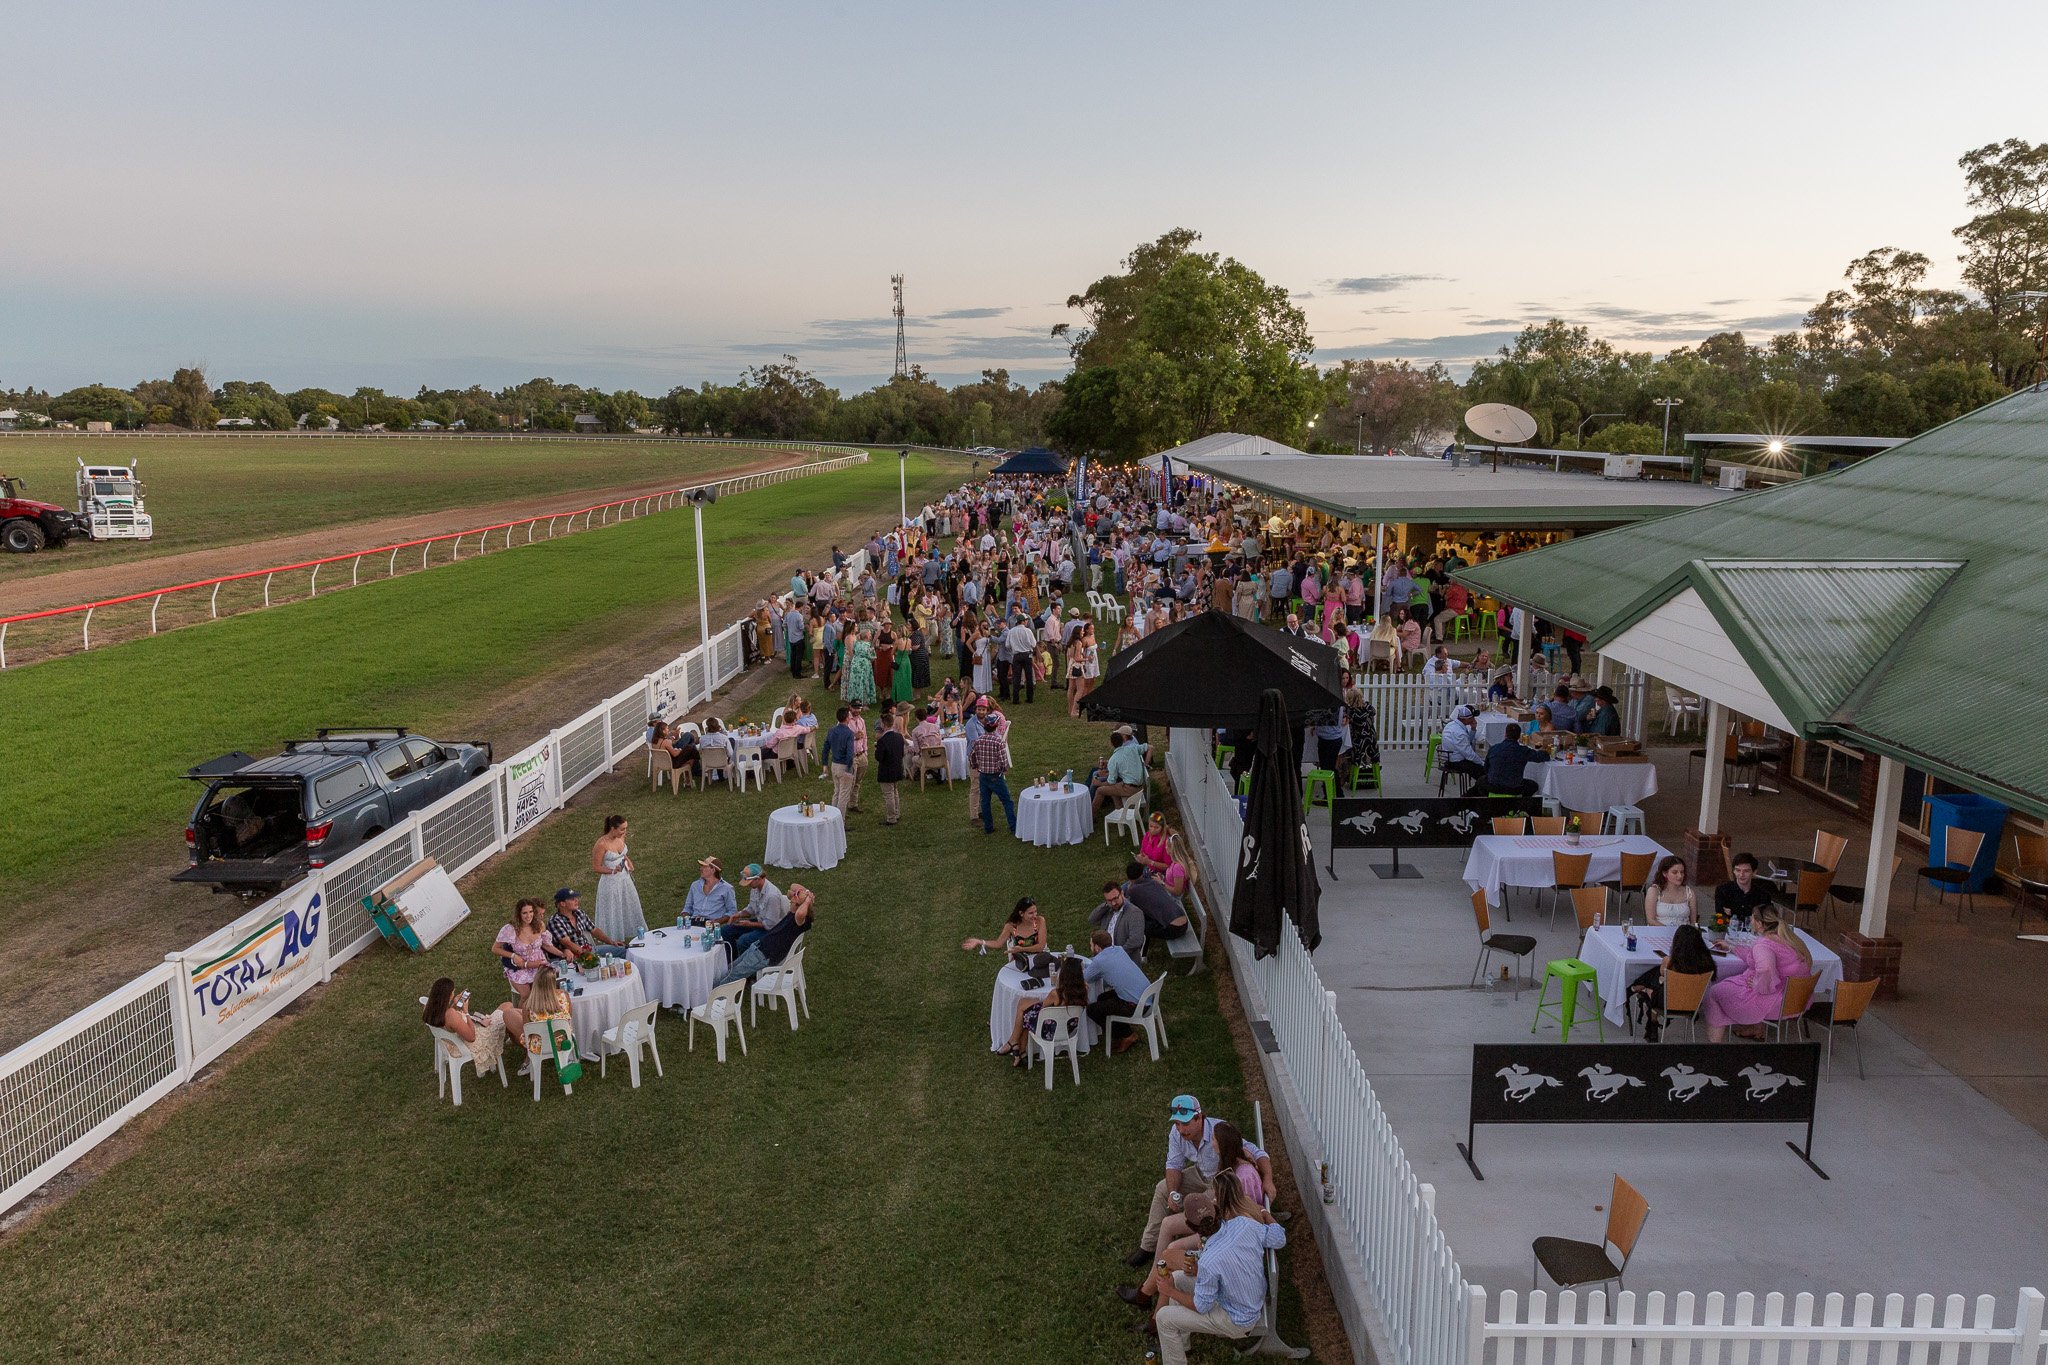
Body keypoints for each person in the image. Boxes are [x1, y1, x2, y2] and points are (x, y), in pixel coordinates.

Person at [1124, 1095, 1273, 1267]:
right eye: (1177, 1124)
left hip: (1219, 1180)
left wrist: (1268, 1180)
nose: (1181, 1130)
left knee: (1201, 1206)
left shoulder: (1220, 1132)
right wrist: (1173, 1192)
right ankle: (1148, 1246)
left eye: (1185, 1124)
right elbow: (1174, 1164)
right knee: (1162, 1188)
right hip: (1200, 1173)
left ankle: (1187, 1244)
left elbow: (1258, 1153)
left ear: (1199, 1118)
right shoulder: (1177, 1133)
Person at [1703, 905, 1814, 1042]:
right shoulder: (1789, 939)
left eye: (1753, 918)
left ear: (1760, 924)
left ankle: (1714, 1046)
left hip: (1777, 1002)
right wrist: (1732, 947)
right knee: (1735, 988)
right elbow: (1756, 957)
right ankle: (1755, 1028)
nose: (1751, 920)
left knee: (1714, 993)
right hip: (1797, 1000)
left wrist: (1757, 984)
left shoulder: (1764, 944)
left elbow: (1766, 968)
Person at [1627, 921, 1720, 1041]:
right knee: (1656, 980)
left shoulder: (1669, 961)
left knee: (1653, 982)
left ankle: (1639, 991)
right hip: (1693, 1002)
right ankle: (1639, 989)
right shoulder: (1708, 964)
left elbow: (1660, 975)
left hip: (1667, 1002)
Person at [714, 883, 814, 987]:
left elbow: (800, 914)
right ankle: (713, 990)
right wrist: (807, 893)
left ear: (800, 906)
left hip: (764, 955)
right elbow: (793, 886)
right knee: (731, 968)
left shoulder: (800, 921)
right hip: (758, 948)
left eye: (793, 901)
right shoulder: (793, 914)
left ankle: (711, 996)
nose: (790, 901)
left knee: (733, 976)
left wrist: (806, 901)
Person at [422, 976, 523, 1077]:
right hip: (473, 1041)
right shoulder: (451, 1015)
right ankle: (518, 1039)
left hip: (455, 1041)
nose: (453, 994)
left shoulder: (429, 1010)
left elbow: (446, 1018)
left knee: (504, 1011)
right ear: (448, 996)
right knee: (508, 1007)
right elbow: (471, 1037)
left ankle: (513, 1035)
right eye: (452, 992)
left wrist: (454, 1004)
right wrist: (466, 1011)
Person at [997, 956, 1088, 1064]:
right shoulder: (1084, 989)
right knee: (1025, 1005)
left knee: (1024, 1011)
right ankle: (1020, 1052)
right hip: (1069, 1027)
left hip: (1050, 1029)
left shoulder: (1056, 993)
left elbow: (1044, 1007)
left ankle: (1014, 1044)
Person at [1082, 928, 1152, 1054]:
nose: (1090, 947)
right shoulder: (1119, 950)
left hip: (1135, 1005)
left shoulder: (1100, 961)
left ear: (1097, 947)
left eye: (1091, 945)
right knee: (1102, 998)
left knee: (1092, 1010)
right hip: (1146, 996)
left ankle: (1127, 1035)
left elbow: (1085, 977)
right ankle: (1122, 1031)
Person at [493, 898, 567, 1006]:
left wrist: (562, 954)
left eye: (531, 912)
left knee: (548, 990)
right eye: (524, 913)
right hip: (521, 966)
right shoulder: (510, 929)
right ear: (519, 914)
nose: (528, 916)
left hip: (539, 964)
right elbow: (495, 948)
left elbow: (546, 945)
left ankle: (543, 1015)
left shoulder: (539, 925)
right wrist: (513, 956)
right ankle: (521, 1019)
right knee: (526, 994)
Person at [591, 815, 646, 941]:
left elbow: (623, 854)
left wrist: (628, 861)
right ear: (612, 828)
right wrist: (612, 871)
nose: (624, 832)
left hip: (625, 879)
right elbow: (596, 867)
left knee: (629, 905)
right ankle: (614, 941)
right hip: (610, 883)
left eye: (625, 828)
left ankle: (635, 935)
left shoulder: (620, 837)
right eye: (622, 829)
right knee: (613, 910)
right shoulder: (601, 844)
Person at [727, 863, 791, 956]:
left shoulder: (772, 896)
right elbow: (752, 908)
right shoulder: (755, 888)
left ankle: (745, 964)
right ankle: (731, 960)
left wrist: (749, 924)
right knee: (727, 930)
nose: (748, 885)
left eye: (750, 882)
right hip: (760, 921)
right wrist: (738, 915)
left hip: (772, 930)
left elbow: (770, 924)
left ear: (758, 879)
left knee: (743, 941)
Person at [547, 887, 626, 960]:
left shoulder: (579, 913)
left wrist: (611, 942)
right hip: (574, 956)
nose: (577, 900)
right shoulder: (555, 921)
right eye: (572, 899)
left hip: (590, 950)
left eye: (576, 898)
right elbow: (567, 943)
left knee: (624, 950)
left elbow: (594, 930)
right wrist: (588, 955)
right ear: (562, 904)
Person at [971, 712, 1018, 835]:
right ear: (996, 726)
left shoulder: (978, 740)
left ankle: (988, 827)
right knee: (1007, 801)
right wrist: (1004, 769)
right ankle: (1013, 826)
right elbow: (1003, 761)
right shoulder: (998, 742)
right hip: (995, 776)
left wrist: (976, 766)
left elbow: (973, 756)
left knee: (985, 802)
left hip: (983, 775)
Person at [1124, 860, 1190, 945]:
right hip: (1184, 921)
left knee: (1137, 924)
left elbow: (1133, 909)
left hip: (1174, 929)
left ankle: (1140, 949)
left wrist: (1129, 890)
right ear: (1141, 874)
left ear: (1128, 876)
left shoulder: (1133, 891)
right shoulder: (1153, 882)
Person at [962, 896, 1046, 958]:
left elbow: (1041, 946)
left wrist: (1021, 949)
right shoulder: (1011, 926)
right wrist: (980, 942)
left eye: (1035, 911)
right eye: (1031, 913)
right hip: (1022, 962)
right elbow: (998, 943)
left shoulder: (1040, 921)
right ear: (1021, 913)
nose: (1035, 915)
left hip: (1039, 959)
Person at [1714, 852, 1776, 931]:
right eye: (1738, 870)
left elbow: (1767, 920)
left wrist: (1732, 911)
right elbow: (1720, 918)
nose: (1741, 874)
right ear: (1733, 871)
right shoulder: (1722, 890)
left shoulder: (1763, 894)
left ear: (1754, 872)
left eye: (1746, 871)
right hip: (1729, 933)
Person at [1094, 728, 1148, 814]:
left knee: (1100, 790)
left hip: (1131, 789)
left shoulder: (1114, 759)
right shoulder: (1132, 748)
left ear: (1111, 743)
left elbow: (1111, 782)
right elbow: (1147, 747)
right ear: (1123, 741)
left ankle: (1091, 816)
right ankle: (1119, 810)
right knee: (1113, 789)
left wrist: (1098, 783)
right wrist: (1146, 763)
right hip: (1140, 786)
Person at [1089, 881, 1147, 958]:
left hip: (1123, 959)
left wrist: (1115, 955)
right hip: (1103, 956)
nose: (1113, 903)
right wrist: (1106, 905)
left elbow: (1136, 941)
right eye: (1109, 900)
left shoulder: (1134, 913)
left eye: (1115, 898)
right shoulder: (1108, 910)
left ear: (1122, 894)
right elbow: (1092, 919)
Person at [1483, 723, 1541, 797]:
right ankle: (1523, 803)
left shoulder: (1494, 748)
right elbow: (1539, 757)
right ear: (1519, 736)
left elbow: (1486, 768)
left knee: (1481, 781)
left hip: (1494, 787)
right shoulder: (1523, 751)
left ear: (1505, 734)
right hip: (1513, 788)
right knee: (1533, 786)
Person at [684, 854, 740, 930]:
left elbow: (732, 911)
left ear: (713, 870)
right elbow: (688, 907)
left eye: (704, 867)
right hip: (692, 923)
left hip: (712, 925)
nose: (700, 869)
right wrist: (684, 916)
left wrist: (717, 922)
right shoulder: (695, 885)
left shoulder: (727, 888)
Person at [875, 702, 908, 826]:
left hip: (886, 770)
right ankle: (897, 813)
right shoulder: (899, 737)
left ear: (883, 724)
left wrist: (877, 750)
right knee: (895, 792)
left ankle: (891, 817)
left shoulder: (883, 740)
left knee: (889, 794)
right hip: (896, 767)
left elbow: (879, 757)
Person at [1439, 705, 1487, 790]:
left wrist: (1473, 729)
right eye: (1473, 717)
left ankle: (1479, 790)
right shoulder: (1459, 732)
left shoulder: (1452, 725)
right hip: (1456, 762)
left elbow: (1467, 741)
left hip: (1450, 758)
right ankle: (1480, 792)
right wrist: (1482, 763)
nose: (1474, 719)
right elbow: (1469, 755)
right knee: (1483, 773)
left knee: (1480, 770)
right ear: (1467, 719)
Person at [1645, 855, 1698, 927]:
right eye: (1675, 872)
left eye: (1682, 872)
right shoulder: (1654, 891)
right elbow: (1651, 920)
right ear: (1665, 873)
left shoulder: (1689, 893)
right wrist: (1668, 930)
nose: (1680, 876)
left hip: (1682, 934)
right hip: (1659, 931)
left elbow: (1693, 922)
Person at [824, 705, 857, 813]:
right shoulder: (849, 733)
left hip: (834, 765)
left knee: (837, 792)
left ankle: (832, 818)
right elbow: (850, 753)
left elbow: (825, 748)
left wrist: (825, 764)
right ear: (847, 718)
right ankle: (840, 822)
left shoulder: (831, 731)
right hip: (844, 766)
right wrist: (849, 768)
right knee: (843, 795)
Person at [1004, 614, 1039, 703]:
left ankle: (1016, 699)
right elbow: (1034, 644)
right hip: (1027, 655)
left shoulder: (1011, 631)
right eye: (1026, 620)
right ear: (1023, 621)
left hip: (1016, 655)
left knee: (1016, 678)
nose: (1027, 622)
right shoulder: (1028, 631)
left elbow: (1007, 645)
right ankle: (1030, 698)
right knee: (1029, 677)